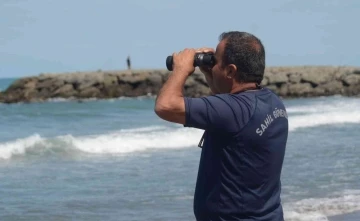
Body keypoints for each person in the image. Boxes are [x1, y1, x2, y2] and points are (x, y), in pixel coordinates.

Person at [154, 31, 288, 221]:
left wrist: (181, 69)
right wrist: (212, 73)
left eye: (215, 62)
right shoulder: (273, 103)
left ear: (231, 71)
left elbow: (165, 106)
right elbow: (227, 103)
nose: (212, 65)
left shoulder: (233, 111)